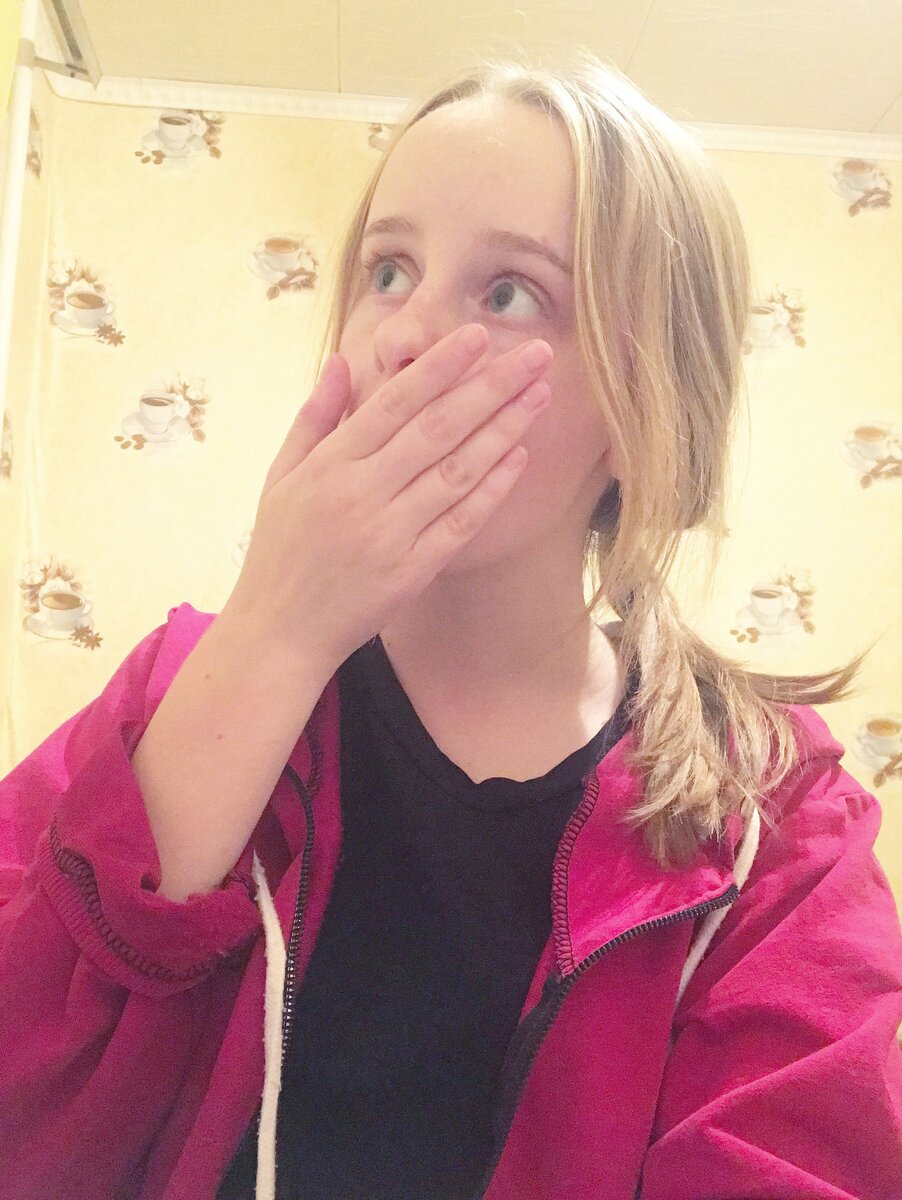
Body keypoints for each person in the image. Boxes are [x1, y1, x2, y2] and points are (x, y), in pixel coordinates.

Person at [1, 48, 901, 1200]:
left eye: (507, 292)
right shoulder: (179, 689)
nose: (402, 337)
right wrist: (270, 639)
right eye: (387, 271)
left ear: (646, 407)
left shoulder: (775, 821)